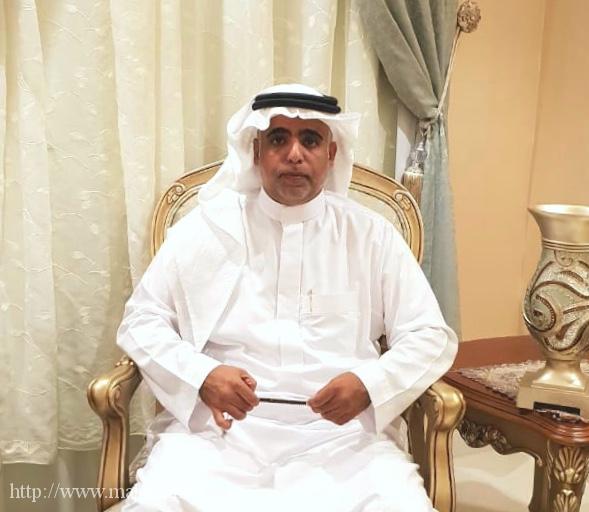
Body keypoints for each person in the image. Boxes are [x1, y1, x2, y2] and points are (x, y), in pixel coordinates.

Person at [118, 83, 458, 512]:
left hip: (344, 439)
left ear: (330, 153)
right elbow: (141, 321)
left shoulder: (371, 235)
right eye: (278, 139)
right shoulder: (205, 229)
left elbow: (429, 335)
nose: (294, 154)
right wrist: (202, 376)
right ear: (256, 151)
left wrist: (369, 385)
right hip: (219, 435)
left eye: (310, 140)